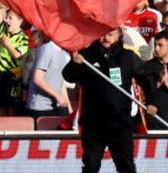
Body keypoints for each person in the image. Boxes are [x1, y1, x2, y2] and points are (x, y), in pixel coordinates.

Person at [62, 28, 153, 173]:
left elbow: (147, 79)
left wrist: (151, 102)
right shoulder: (86, 55)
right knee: (91, 166)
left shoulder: (127, 57)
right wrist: (76, 64)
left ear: (119, 35)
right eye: (102, 34)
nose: (106, 38)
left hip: (120, 122)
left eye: (110, 34)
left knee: (126, 166)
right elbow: (68, 76)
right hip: (93, 123)